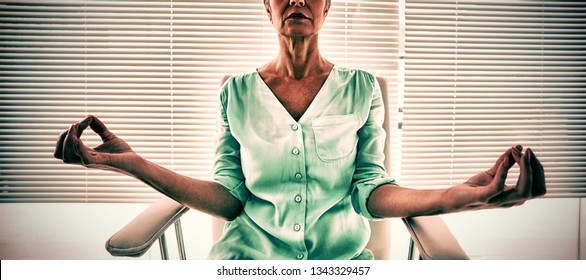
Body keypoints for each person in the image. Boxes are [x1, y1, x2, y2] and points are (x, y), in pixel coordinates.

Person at [54, 0, 546, 260]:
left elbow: (370, 191)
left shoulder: (361, 89)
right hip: (247, 263)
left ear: (327, 4)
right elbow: (229, 198)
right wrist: (134, 165)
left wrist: (453, 196)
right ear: (265, 6)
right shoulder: (236, 93)